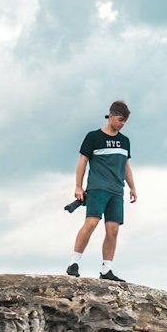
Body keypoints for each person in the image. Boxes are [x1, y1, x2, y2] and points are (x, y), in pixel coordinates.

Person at [66, 100, 137, 282]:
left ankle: (106, 270)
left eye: (125, 121)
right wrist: (78, 186)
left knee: (113, 230)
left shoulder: (124, 141)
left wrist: (132, 187)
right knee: (91, 223)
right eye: (120, 119)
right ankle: (74, 262)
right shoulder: (93, 137)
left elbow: (126, 166)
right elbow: (82, 161)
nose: (122, 124)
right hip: (98, 188)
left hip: (116, 191)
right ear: (111, 116)